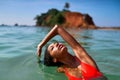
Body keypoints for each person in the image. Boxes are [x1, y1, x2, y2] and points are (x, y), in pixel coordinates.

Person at [37, 25, 107, 80]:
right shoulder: (62, 69)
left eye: (56, 43)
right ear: (54, 59)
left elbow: (57, 28)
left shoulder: (82, 58)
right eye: (52, 48)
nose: (57, 44)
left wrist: (40, 45)